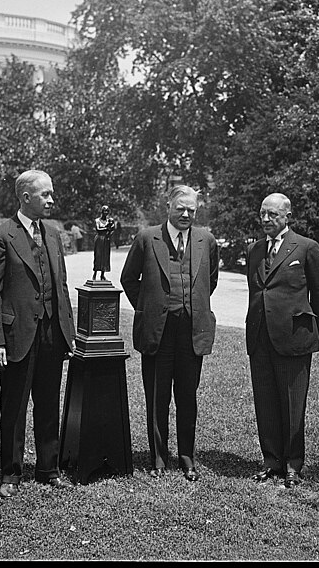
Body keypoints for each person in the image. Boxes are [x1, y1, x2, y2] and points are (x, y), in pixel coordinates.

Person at [0, 170, 77, 494]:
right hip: (17, 337)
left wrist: (68, 332)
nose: (52, 200)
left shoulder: (52, 234)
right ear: (25, 197)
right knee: (14, 406)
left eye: (51, 194)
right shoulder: (1, 236)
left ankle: (48, 469)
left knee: (49, 402)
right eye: (45, 195)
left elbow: (60, 286)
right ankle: (10, 474)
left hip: (52, 334)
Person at [120, 185, 219, 482]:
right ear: (168, 207)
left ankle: (187, 458)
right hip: (158, 332)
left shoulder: (207, 240)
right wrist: (151, 308)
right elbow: (129, 279)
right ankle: (159, 458)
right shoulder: (147, 238)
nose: (186, 214)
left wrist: (192, 305)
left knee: (187, 396)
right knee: (157, 396)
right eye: (180, 209)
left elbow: (210, 281)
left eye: (191, 209)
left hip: (191, 331)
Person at [245, 193, 319, 488]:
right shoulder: (256, 250)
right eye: (262, 214)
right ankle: (271, 461)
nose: (266, 220)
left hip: (294, 340)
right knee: (265, 402)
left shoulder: (307, 248)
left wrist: (309, 332)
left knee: (293, 404)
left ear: (288, 217)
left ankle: (293, 465)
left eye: (273, 214)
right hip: (260, 338)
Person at [92, 205, 115, 280]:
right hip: (99, 239)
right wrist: (107, 228)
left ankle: (102, 274)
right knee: (98, 256)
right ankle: (95, 273)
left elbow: (112, 229)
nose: (106, 212)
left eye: (107, 211)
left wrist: (110, 229)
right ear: (101, 211)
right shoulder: (97, 220)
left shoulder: (109, 221)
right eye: (104, 211)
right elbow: (98, 229)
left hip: (106, 239)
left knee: (105, 257)